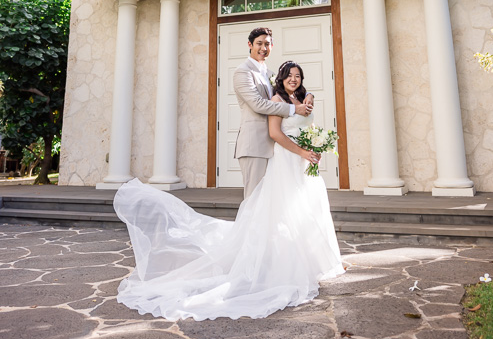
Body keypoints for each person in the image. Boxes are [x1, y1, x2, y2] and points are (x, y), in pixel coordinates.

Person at [113, 60, 344, 322]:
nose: (294, 78)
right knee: (275, 210)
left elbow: (308, 125)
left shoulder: (304, 97)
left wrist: (316, 146)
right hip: (287, 159)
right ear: (280, 78)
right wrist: (303, 149)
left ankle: (314, 261)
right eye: (289, 75)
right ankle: (267, 262)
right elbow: (275, 133)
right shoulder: (276, 98)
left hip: (303, 163)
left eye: (298, 75)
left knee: (306, 208)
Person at [233, 26, 315, 197]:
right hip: (254, 145)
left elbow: (290, 85)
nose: (263, 48)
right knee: (254, 198)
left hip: (276, 147)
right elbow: (258, 104)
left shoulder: (270, 74)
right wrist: (294, 109)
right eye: (259, 43)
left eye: (267, 44)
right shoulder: (243, 72)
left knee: (269, 201)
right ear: (250, 44)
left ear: (272, 46)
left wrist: (309, 95)